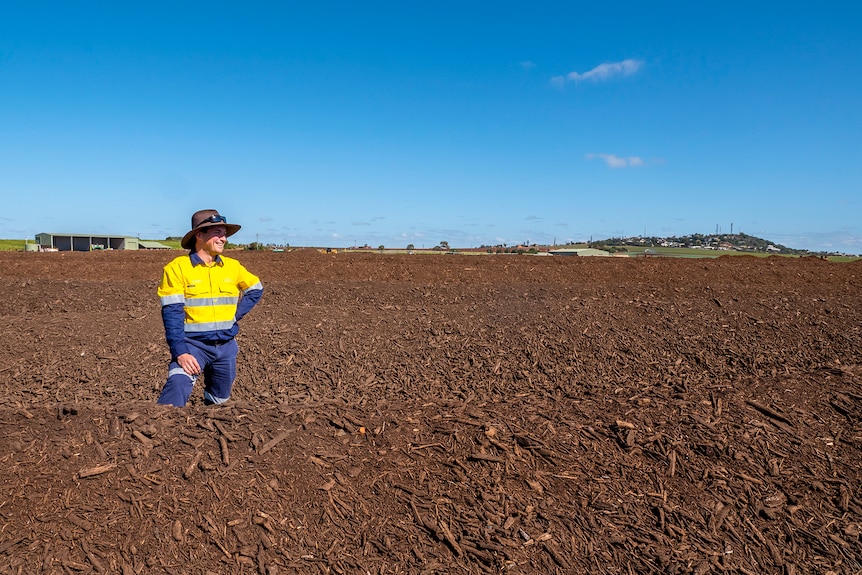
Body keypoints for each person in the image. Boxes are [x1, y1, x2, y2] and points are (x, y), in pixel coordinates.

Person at [156, 209, 263, 407]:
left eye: (224, 234)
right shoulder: (177, 268)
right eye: (218, 233)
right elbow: (172, 314)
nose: (224, 239)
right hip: (193, 346)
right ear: (199, 235)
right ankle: (157, 429)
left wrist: (235, 315)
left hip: (226, 347)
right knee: (178, 385)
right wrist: (180, 352)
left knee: (219, 402)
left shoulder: (233, 267)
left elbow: (256, 289)